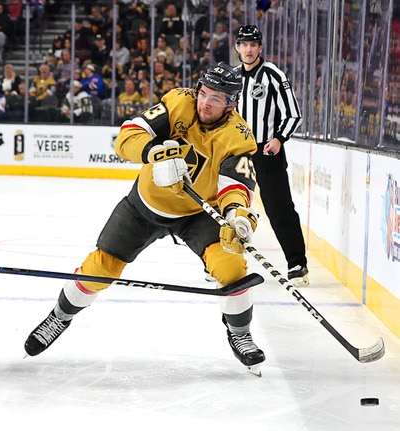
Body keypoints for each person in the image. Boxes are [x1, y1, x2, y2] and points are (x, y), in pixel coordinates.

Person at [24, 63, 267, 375]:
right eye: (204, 93)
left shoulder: (240, 136)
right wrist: (153, 150)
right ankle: (60, 316)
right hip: (144, 206)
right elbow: (126, 137)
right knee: (99, 268)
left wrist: (236, 216)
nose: (205, 103)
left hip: (197, 214)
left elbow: (235, 183)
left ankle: (239, 333)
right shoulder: (178, 102)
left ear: (231, 104)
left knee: (232, 265)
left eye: (216, 99)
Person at [234, 25, 308, 287]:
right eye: (244, 44)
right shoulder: (232, 77)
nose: (249, 49)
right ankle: (221, 262)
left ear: (260, 48)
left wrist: (278, 138)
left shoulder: (273, 75)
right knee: (226, 205)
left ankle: (297, 263)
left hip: (267, 150)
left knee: (279, 208)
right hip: (235, 152)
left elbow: (293, 113)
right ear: (237, 47)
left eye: (253, 44)